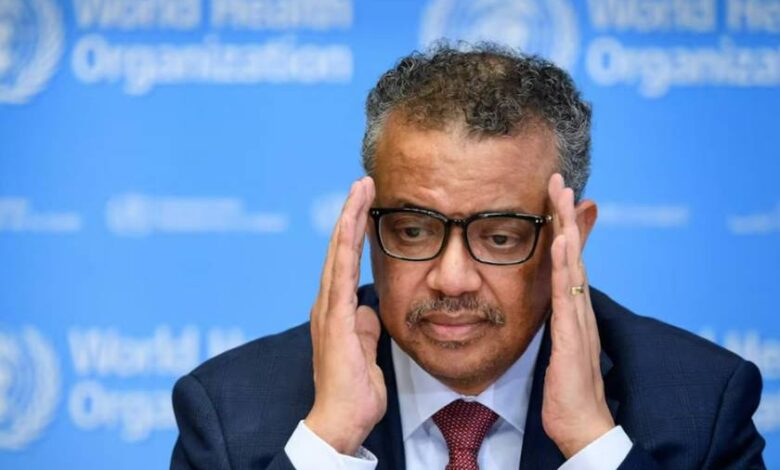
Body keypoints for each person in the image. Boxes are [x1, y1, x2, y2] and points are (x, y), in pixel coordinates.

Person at [170, 43, 766, 469]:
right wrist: (329, 444)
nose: (452, 279)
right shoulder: (232, 414)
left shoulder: (699, 408)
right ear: (366, 228)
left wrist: (592, 445)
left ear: (572, 235)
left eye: (500, 237)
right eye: (412, 231)